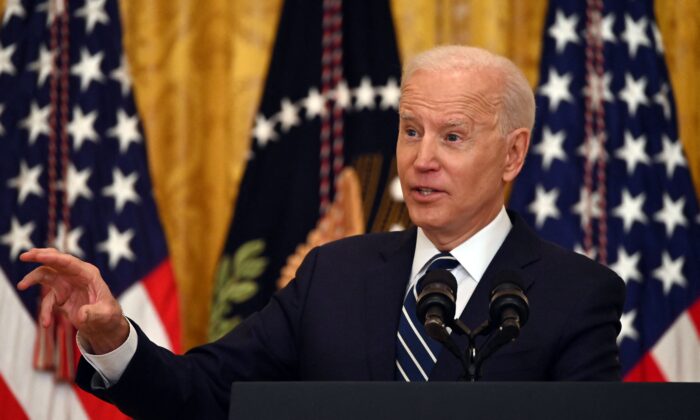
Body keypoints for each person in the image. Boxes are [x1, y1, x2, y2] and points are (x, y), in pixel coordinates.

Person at [18, 46, 625, 419]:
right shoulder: (334, 273)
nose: (421, 159)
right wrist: (112, 336)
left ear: (513, 155)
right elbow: (203, 395)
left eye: (453, 136)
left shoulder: (576, 295)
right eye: (410, 131)